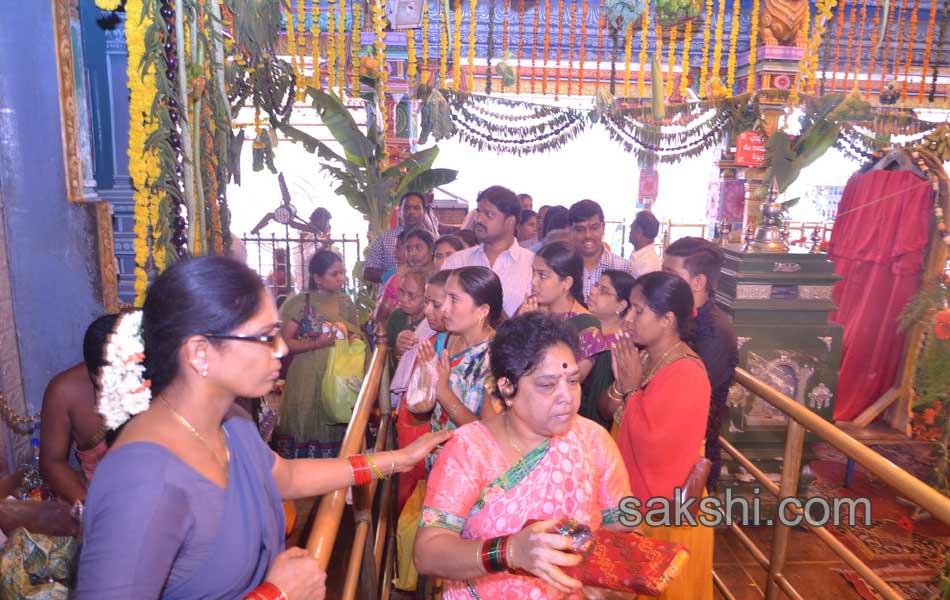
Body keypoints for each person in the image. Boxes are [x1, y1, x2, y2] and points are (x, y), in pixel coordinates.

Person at [77, 255, 449, 599]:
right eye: (264, 336)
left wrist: (397, 460)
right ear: (199, 353)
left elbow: (285, 476)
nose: (282, 349)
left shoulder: (230, 422)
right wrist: (276, 593)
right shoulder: (143, 480)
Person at [413, 312, 635, 599]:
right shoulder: (471, 449)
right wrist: (511, 551)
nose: (567, 396)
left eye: (573, 381)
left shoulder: (594, 440)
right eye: (547, 385)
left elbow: (624, 529)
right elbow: (428, 552)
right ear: (507, 387)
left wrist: (612, 583)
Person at [610, 271, 713, 600]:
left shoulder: (686, 374)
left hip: (665, 512)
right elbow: (608, 411)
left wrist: (629, 390)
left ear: (667, 319)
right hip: (636, 502)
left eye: (639, 311)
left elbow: (654, 448)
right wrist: (620, 385)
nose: (629, 318)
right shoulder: (644, 356)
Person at [663, 237, 738, 492]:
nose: (664, 282)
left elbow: (692, 400)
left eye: (670, 274)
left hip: (691, 453)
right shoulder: (680, 316)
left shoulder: (714, 333)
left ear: (698, 282)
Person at [273, 250, 359, 459]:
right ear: (317, 278)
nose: (341, 278)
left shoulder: (345, 302)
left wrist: (350, 338)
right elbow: (284, 342)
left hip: (337, 372)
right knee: (305, 417)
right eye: (334, 274)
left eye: (342, 273)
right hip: (307, 374)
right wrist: (317, 343)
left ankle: (331, 482)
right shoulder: (301, 303)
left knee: (334, 413)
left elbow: (357, 334)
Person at [39, 314, 119, 505]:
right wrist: (89, 508)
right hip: (99, 504)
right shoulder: (64, 391)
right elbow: (52, 462)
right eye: (103, 387)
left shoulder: (161, 380)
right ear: (91, 372)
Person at [416, 267, 503, 442]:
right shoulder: (443, 342)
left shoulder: (499, 356)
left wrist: (441, 390)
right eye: (445, 297)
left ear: (483, 310)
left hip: (471, 462)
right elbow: (420, 408)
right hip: (438, 455)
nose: (445, 308)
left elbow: (489, 435)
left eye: (454, 299)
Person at [394, 269, 452, 510]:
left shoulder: (449, 343)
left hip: (433, 433)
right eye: (426, 302)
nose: (427, 310)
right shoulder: (430, 335)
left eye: (434, 304)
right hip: (415, 424)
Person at [441, 186, 535, 318]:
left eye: (489, 214)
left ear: (510, 221)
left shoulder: (532, 266)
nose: (479, 219)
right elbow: (438, 311)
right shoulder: (457, 262)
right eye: (479, 212)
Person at [519, 242, 605, 382]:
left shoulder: (587, 326)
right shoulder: (530, 308)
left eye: (542, 275)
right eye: (533, 272)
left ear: (566, 283)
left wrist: (534, 329)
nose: (533, 281)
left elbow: (569, 381)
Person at [585, 269, 636, 428]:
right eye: (595, 286)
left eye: (603, 291)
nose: (593, 291)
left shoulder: (616, 347)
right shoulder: (590, 333)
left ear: (621, 305)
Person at [568, 200, 632, 302]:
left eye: (594, 228)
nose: (588, 235)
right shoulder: (563, 267)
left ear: (603, 228)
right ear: (570, 231)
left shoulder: (623, 267)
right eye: (580, 229)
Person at [364, 192, 432, 283]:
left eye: (416, 208)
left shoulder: (433, 239)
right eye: (407, 208)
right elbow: (368, 272)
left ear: (424, 212)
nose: (411, 212)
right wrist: (396, 277)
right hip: (390, 294)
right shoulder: (384, 238)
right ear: (399, 212)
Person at [376, 228, 435, 325]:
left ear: (431, 249)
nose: (413, 253)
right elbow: (381, 317)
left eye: (418, 248)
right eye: (409, 249)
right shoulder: (396, 281)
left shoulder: (440, 281)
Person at [386, 268, 431, 366]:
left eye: (411, 295)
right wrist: (396, 351)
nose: (404, 299)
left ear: (426, 297)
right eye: (401, 291)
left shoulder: (430, 323)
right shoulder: (396, 316)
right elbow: (385, 356)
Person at [629, 210, 662, 278]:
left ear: (639, 231)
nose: (630, 229)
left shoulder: (648, 264)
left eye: (632, 227)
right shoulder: (639, 255)